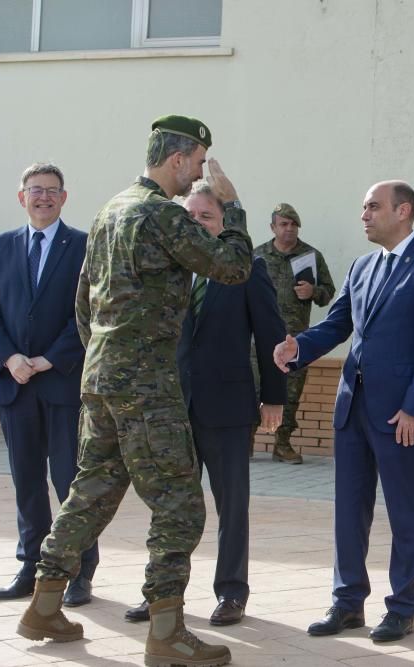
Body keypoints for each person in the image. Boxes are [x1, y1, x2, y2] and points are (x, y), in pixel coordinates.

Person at [14, 115, 252, 667]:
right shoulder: (162, 215)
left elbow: (82, 300)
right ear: (177, 159)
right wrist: (232, 206)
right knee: (180, 504)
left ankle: (45, 602)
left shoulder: (109, 209)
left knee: (92, 488)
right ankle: (167, 631)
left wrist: (106, 358)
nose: (200, 174)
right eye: (197, 163)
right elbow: (233, 267)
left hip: (100, 378)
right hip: (147, 385)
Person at [274, 180, 414, 643]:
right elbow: (338, 324)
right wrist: (298, 348)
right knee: (349, 511)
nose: (364, 215)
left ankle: (402, 608)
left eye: (373, 207)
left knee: (406, 511)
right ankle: (347, 601)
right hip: (353, 408)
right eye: (363, 207)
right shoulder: (361, 266)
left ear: (404, 211)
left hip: (402, 415)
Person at [124, 183, 287, 626]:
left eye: (206, 217)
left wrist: (273, 396)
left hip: (227, 408)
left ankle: (232, 592)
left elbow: (271, 335)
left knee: (232, 505)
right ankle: (160, 593)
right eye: (190, 217)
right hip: (172, 408)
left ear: (223, 223)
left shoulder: (247, 269)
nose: (197, 224)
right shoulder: (168, 268)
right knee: (171, 505)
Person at [0, 163, 98, 606]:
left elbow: (87, 312)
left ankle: (80, 571)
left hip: (62, 383)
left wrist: (49, 359)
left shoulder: (83, 246)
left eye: (51, 191)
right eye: (35, 190)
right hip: (15, 384)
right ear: (21, 197)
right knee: (27, 482)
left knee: (71, 483)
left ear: (64, 198)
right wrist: (10, 358)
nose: (43, 197)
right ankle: (30, 565)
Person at [253, 203, 336, 463]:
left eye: (293, 225)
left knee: (290, 394)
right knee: (252, 389)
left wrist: (314, 292)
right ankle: (245, 441)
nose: (289, 229)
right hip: (259, 340)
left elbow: (329, 292)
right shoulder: (257, 256)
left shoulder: (311, 255)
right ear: (273, 227)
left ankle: (282, 444)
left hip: (294, 340)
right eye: (283, 224)